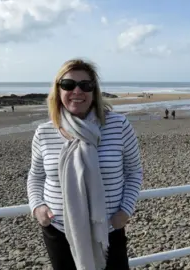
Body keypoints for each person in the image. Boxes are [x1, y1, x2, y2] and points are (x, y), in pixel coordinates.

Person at [26, 58, 143, 270]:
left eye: (85, 85)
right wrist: (38, 208)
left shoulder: (118, 125)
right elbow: (35, 176)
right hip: (59, 231)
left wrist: (125, 211)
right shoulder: (44, 132)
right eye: (68, 85)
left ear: (94, 90)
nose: (77, 91)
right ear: (58, 90)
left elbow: (134, 171)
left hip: (108, 230)